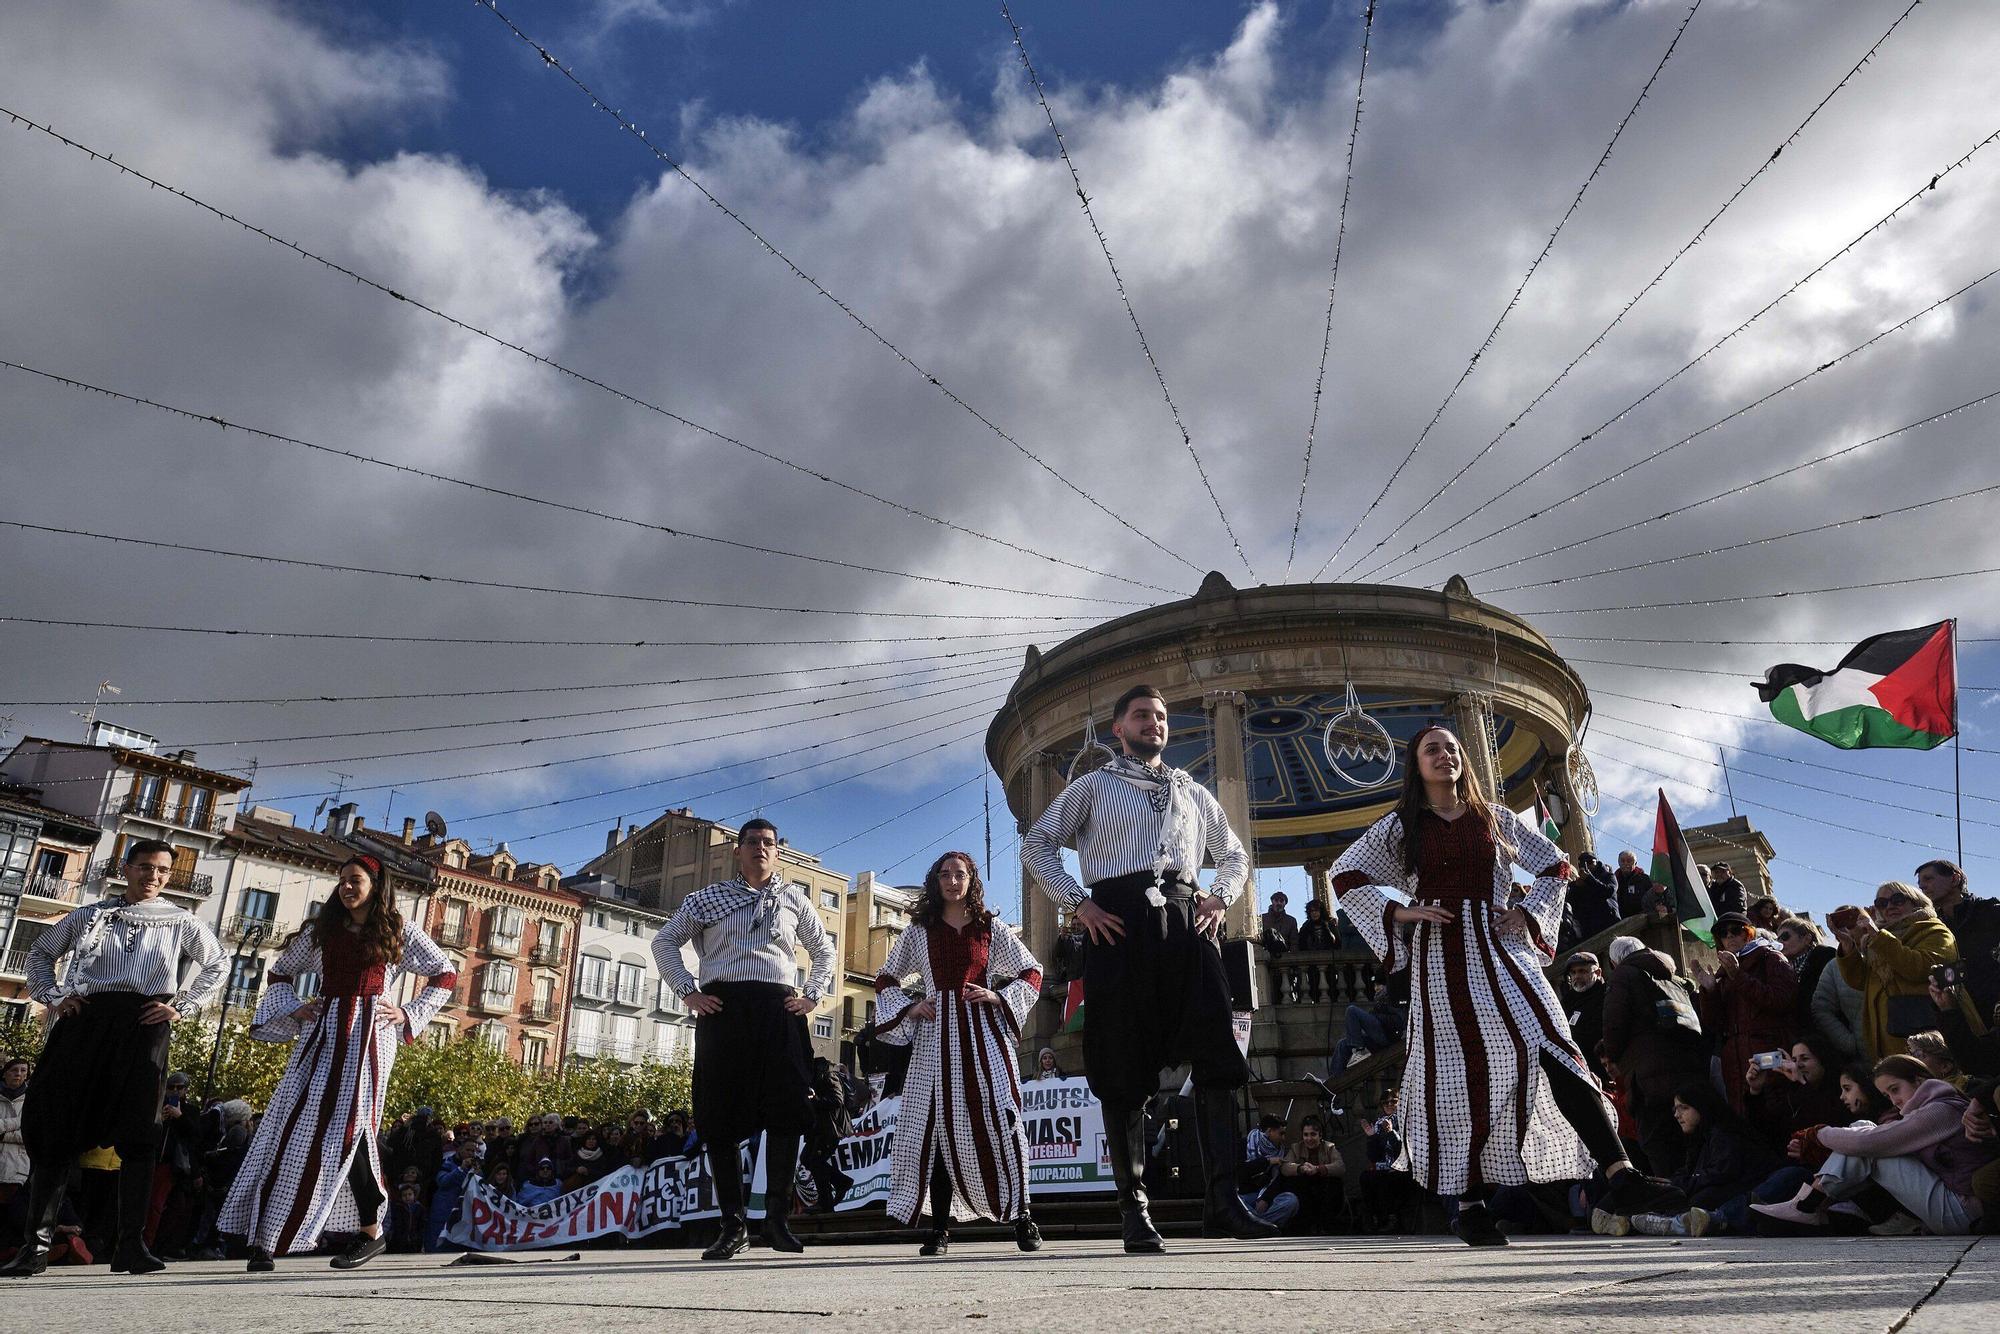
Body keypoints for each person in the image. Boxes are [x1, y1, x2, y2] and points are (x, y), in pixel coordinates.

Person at [1330, 725, 1682, 1248]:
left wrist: (1527, 912)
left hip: (1504, 949)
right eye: (1432, 749)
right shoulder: (1401, 826)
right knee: (1458, 1072)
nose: (1446, 755)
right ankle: (1469, 1206)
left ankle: (1620, 1175)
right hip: (1442, 954)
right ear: (1417, 765)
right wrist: (1398, 910)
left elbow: (1557, 865)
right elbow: (1344, 876)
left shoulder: (1493, 817)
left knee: (1556, 1045)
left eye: (1453, 748)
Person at [1023, 684, 1271, 1252]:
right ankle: (1134, 1211)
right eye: (1141, 716)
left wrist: (1220, 897)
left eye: (1160, 716)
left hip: (1188, 925)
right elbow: (1037, 844)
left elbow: (1234, 854)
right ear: (1119, 729)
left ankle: (1223, 1202)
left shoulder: (1192, 792)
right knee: (1123, 1067)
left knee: (1217, 1057)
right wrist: (1078, 903)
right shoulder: (1092, 787)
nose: (1154, 723)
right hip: (1119, 925)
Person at [219, 854, 456, 1272]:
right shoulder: (322, 929)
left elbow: (445, 974)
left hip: (369, 1036)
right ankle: (265, 1238)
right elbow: (279, 973)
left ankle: (369, 1230)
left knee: (350, 1131)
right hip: (324, 1028)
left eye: (356, 880)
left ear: (376, 884)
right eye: (343, 880)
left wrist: (408, 1014)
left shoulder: (399, 930)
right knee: (288, 1122)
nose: (347, 887)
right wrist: (295, 1009)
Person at [2, 839, 225, 1277]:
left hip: (144, 1025)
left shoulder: (182, 921)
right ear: (127, 867)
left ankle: (130, 1245)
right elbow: (42, 953)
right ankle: (37, 1247)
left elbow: (218, 964)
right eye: (145, 867)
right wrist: (53, 996)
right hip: (85, 1021)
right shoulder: (92, 915)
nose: (153, 876)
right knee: (55, 1128)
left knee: (140, 1134)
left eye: (162, 870)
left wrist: (182, 1005)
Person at [652, 818, 835, 1261]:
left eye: (769, 843)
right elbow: (664, 943)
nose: (761, 848)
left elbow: (824, 950)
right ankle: (732, 1225)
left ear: (778, 851)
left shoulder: (795, 899)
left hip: (779, 1010)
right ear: (738, 851)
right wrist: (688, 992)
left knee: (789, 1111)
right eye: (752, 842)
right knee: (717, 1115)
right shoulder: (706, 898)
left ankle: (776, 1219)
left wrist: (811, 995)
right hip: (725, 1009)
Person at [873, 852, 1042, 1255]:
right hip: (934, 1039)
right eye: (945, 874)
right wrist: (911, 1007)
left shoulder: (989, 928)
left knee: (1004, 1118)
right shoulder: (919, 931)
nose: (952, 881)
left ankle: (1023, 1216)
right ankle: (940, 1229)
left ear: (971, 881)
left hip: (984, 1034)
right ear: (935, 881)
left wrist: (998, 995)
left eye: (960, 874)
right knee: (936, 1129)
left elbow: (1031, 972)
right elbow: (884, 979)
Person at [1752, 1054, 1999, 1235]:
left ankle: (1809, 1205)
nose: (1895, 1100)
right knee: (1863, 1127)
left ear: (1920, 1081)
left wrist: (1819, 1134)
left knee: (1868, 1140)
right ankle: (1811, 1205)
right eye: (1887, 1095)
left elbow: (1871, 1142)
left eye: (1896, 1089)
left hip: (1963, 1211)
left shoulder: (1940, 1110)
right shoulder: (1928, 1109)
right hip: (1951, 1201)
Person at [1600, 1081, 1783, 1238]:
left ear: (1702, 1107)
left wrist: (1679, 1184)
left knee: (1698, 1198)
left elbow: (1722, 1173)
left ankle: (1645, 1220)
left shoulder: (1724, 1133)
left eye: (1684, 1108)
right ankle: (1628, 1216)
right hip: (1717, 1185)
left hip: (1741, 1188)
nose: (1677, 1115)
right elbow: (1691, 1171)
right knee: (1662, 1190)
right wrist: (1672, 1183)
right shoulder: (1701, 1137)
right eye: (1675, 1109)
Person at [1599, 936, 1708, 1179]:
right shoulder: (1672, 977)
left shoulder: (1624, 976)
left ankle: (1674, 1205)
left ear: (1615, 962)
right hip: (1687, 1071)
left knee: (1659, 1147)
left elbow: (1614, 1026)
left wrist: (1615, 1057)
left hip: (1649, 1078)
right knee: (1689, 1142)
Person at [1834, 882, 1968, 1059]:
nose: (1889, 906)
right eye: (1881, 903)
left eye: (1897, 899)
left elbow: (1922, 968)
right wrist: (1847, 944)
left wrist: (1878, 937)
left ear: (1916, 902)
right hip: (1885, 1038)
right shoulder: (1876, 938)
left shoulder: (1933, 929)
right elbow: (1860, 981)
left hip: (1924, 1039)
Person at [1694, 913, 1796, 1112]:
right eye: (1723, 933)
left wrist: (1738, 976)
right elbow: (1716, 1024)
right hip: (1736, 1060)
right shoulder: (1724, 972)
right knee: (1745, 1119)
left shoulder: (1771, 958)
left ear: (1748, 933)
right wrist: (1710, 992)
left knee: (1775, 1114)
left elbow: (1781, 1000)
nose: (1729, 936)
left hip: (1768, 1052)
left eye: (1736, 930)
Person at [1916, 860, 2000, 1021]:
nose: (1922, 887)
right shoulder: (1930, 926)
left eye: (1928, 879)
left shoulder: (1991, 912)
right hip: (1954, 1017)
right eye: (1920, 883)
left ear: (1955, 879)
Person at [802, 1057, 858, 1215]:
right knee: (807, 1159)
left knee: (815, 1161)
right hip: (819, 1129)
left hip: (830, 1129)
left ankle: (827, 1201)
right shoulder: (815, 1079)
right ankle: (840, 1183)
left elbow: (837, 1100)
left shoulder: (829, 1076)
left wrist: (815, 1100)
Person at [1359, 1090, 1415, 1233]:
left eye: (1393, 1101)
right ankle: (1373, 1219)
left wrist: (1391, 1133)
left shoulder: (1406, 1122)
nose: (1389, 1104)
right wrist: (1371, 1137)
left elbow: (1403, 1150)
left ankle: (1391, 1219)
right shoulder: (1378, 1124)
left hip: (1404, 1167)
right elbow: (1373, 1156)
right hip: (1384, 1166)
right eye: (1386, 1102)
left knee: (1387, 1179)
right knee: (1366, 1177)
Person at [1280, 1115, 1346, 1234]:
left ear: (1320, 1135)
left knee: (1335, 1184)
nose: (1309, 1138)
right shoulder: (1296, 1148)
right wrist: (1300, 1168)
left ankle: (1327, 1225)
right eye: (1306, 1134)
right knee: (1294, 1183)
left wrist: (1318, 1169)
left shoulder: (1329, 1147)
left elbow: (1340, 1167)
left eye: (1313, 1134)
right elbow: (1285, 1167)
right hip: (1305, 1187)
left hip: (1324, 1185)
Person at [1332, 982, 1405, 1073]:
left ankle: (1359, 1050)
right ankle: (1333, 1079)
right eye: (1375, 985)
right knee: (1342, 1044)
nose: (1376, 988)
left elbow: (1399, 1022)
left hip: (1387, 1035)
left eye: (1379, 984)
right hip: (1377, 1038)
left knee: (1352, 1010)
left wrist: (1376, 1017)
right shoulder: (1379, 999)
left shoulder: (1392, 999)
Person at [1561, 953, 1608, 1081]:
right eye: (1573, 972)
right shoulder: (1567, 1001)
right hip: (1584, 1072)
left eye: (1582, 971)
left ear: (1597, 973)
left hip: (1607, 1068)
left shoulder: (1608, 995)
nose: (1577, 976)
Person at [1567, 856, 1621, 941]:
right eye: (1584, 863)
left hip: (1610, 921)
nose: (1588, 865)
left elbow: (1608, 892)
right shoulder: (1579, 883)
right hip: (1591, 928)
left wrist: (1589, 879)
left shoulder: (1608, 876)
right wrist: (1577, 887)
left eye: (1590, 862)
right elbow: (1573, 905)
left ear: (1596, 862)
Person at [1296, 900, 1336, 1003]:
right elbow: (1302, 945)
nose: (1314, 913)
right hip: (1312, 966)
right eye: (1311, 911)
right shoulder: (1305, 927)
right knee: (1315, 989)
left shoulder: (1329, 924)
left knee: (1332, 989)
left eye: (1316, 910)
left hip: (1330, 964)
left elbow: (1337, 943)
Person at [1614, 852, 1653, 921]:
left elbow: (1653, 897)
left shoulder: (1645, 879)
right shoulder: (1614, 880)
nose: (1625, 863)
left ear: (1635, 863)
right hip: (1619, 921)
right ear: (1619, 862)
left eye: (1629, 861)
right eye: (1622, 861)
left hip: (1641, 921)